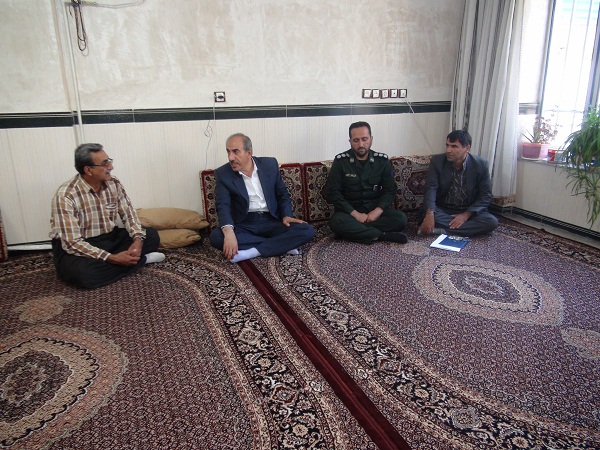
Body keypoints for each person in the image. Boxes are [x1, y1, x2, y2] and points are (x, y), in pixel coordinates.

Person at [50, 143, 164, 289]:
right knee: (84, 274)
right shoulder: (66, 195)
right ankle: (141, 261)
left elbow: (129, 215)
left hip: (110, 238)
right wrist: (112, 258)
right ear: (88, 170)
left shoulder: (113, 183)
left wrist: (137, 240)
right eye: (105, 164)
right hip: (80, 245)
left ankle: (125, 261)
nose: (111, 167)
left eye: (109, 161)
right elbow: (72, 243)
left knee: (151, 236)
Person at [209, 133, 315, 263]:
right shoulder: (223, 173)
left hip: (271, 221)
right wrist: (229, 232)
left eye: (235, 152)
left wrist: (286, 215)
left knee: (307, 230)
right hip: (244, 224)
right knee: (216, 237)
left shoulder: (269, 165)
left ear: (249, 152)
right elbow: (223, 205)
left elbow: (282, 194)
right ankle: (282, 245)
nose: (231, 157)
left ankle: (252, 252)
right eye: (228, 152)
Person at [326, 121, 408, 244]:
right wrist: (356, 215)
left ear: (371, 139)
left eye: (364, 139)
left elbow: (390, 190)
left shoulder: (382, 161)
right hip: (350, 212)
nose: (361, 144)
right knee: (336, 222)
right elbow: (333, 193)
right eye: (356, 140)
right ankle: (382, 236)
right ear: (350, 141)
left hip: (374, 211)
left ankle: (354, 232)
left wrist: (377, 211)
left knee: (400, 219)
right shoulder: (340, 162)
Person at [418, 129, 499, 237]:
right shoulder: (437, 161)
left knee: (491, 222)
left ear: (467, 148)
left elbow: (486, 196)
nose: (448, 150)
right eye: (447, 145)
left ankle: (443, 231)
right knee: (427, 216)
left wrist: (465, 215)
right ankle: (471, 229)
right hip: (442, 209)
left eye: (454, 146)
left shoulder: (480, 165)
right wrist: (430, 213)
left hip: (468, 210)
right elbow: (430, 188)